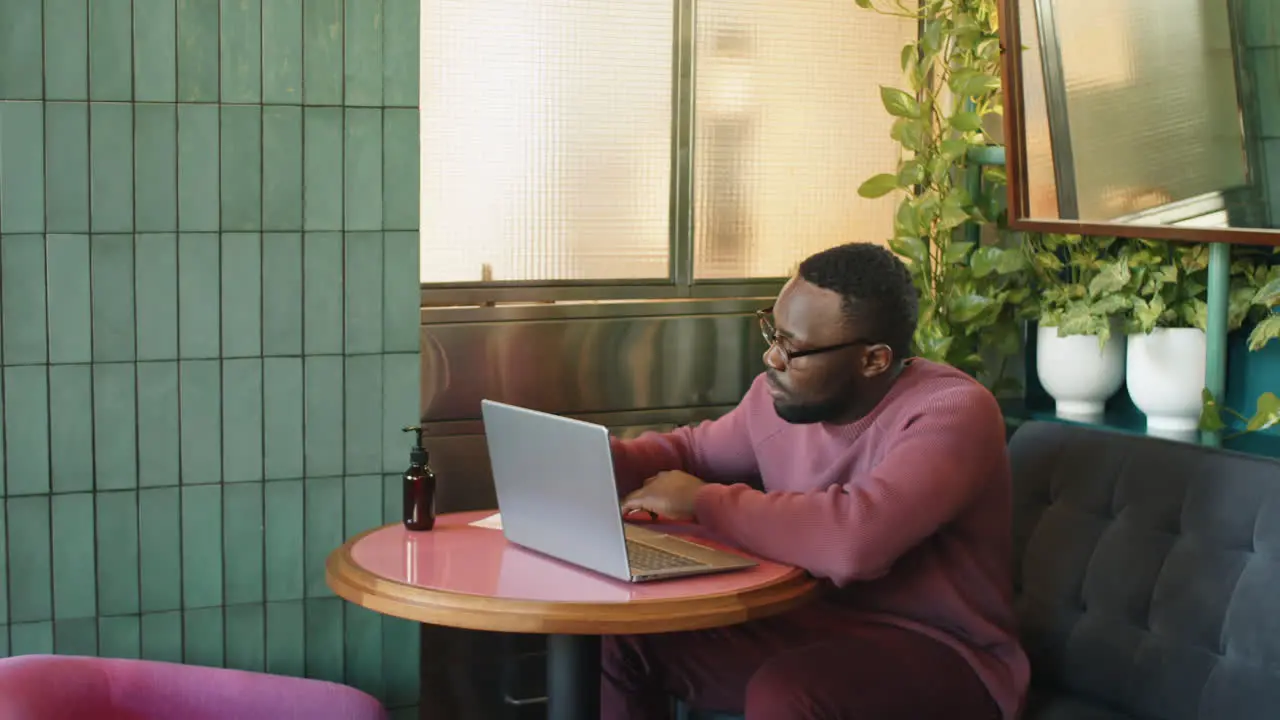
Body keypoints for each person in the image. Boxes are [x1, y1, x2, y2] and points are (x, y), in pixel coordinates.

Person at [605, 242, 1029, 719]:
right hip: (811, 623)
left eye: (794, 348)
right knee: (627, 639)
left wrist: (703, 501)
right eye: (773, 332)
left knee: (790, 693)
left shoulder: (951, 411)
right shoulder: (781, 399)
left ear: (874, 360)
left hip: (943, 649)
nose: (772, 358)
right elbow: (692, 451)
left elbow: (853, 540)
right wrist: (596, 459)